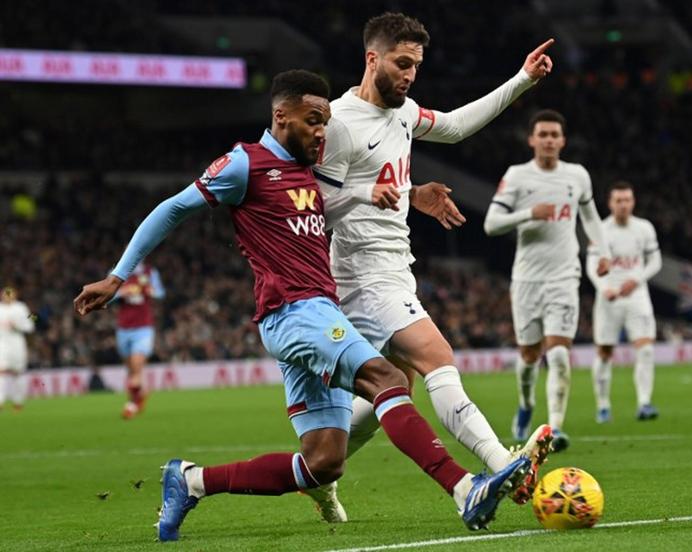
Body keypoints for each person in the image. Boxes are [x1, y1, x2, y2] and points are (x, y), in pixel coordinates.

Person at [73, 70, 530, 542]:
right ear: (281, 116)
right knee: (390, 380)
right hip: (294, 312)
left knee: (324, 462)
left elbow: (337, 201)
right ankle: (463, 488)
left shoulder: (306, 173)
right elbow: (172, 208)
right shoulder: (243, 164)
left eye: (325, 122)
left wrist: (408, 194)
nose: (321, 132)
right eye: (312, 120)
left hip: (317, 313)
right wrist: (118, 275)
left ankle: (191, 481)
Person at [311, 12, 556, 514]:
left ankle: (319, 470)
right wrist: (365, 193)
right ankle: (502, 462)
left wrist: (523, 79)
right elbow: (315, 209)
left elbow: (456, 126)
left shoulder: (403, 113)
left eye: (416, 66)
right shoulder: (338, 123)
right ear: (372, 59)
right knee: (437, 357)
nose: (410, 75)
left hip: (395, 268)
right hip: (362, 275)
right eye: (402, 64)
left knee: (392, 387)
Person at [483, 109, 611, 450]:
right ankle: (526, 404)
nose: (549, 140)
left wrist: (603, 251)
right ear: (532, 139)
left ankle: (553, 428)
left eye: (555, 135)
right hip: (527, 279)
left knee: (558, 354)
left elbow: (591, 217)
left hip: (564, 277)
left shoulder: (577, 175)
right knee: (529, 355)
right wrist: (528, 213)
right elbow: (491, 224)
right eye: (543, 134)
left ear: (563, 141)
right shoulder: (517, 176)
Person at [587, 182, 662, 422]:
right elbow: (591, 263)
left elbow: (655, 261)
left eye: (627, 200)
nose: (623, 205)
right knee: (604, 352)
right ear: (610, 203)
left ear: (633, 202)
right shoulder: (600, 230)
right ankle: (603, 406)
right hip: (608, 297)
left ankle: (644, 403)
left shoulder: (644, 228)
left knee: (646, 349)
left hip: (637, 296)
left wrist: (637, 279)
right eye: (618, 200)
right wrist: (603, 288)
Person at [113, 261, 165, 419]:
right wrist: (122, 292)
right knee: (131, 370)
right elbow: (107, 296)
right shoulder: (117, 271)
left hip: (143, 328)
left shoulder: (150, 272)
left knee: (136, 366)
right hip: (123, 328)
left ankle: (131, 405)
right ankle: (140, 395)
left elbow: (160, 293)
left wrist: (150, 291)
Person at [0, 286, 34, 412]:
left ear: (15, 296)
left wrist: (19, 325)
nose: (7, 297)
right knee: (1, 372)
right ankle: (0, 402)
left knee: (18, 373)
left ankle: (18, 402)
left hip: (17, 345)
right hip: (2, 345)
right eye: (5, 295)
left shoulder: (21, 308)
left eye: (10, 295)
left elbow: (31, 323)